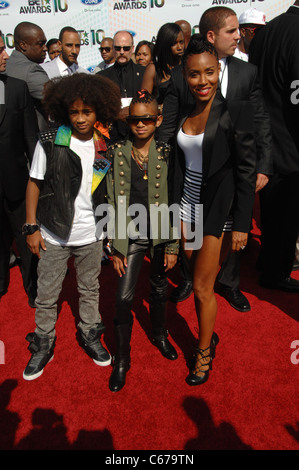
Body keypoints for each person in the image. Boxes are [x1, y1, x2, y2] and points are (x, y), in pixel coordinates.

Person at [158, 6, 272, 312]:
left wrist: (263, 165)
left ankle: (229, 284)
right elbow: (170, 125)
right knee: (193, 251)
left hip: (229, 175)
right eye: (231, 31)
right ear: (211, 35)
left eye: (238, 31)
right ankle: (190, 279)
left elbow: (259, 120)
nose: (239, 36)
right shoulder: (183, 75)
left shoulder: (248, 72)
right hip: (191, 181)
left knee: (229, 232)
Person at [22, 73, 121, 381]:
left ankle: (91, 332)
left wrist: (107, 232)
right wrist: (31, 227)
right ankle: (43, 340)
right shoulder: (51, 142)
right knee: (47, 292)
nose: (80, 118)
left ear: (98, 112)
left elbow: (103, 190)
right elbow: (34, 183)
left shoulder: (104, 146)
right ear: (65, 110)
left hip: (91, 235)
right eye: (75, 111)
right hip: (53, 232)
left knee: (90, 288)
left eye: (87, 112)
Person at [170, 35, 256, 385]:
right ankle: (209, 337)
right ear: (185, 76)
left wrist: (242, 223)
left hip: (216, 211)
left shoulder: (236, 111)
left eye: (209, 72)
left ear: (218, 71)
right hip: (186, 208)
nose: (202, 81)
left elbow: (247, 170)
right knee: (193, 279)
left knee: (204, 287)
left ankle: (204, 352)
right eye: (194, 74)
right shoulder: (185, 110)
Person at [106, 90, 179, 392]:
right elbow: (109, 200)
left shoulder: (168, 153)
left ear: (158, 120)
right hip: (129, 235)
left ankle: (160, 334)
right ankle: (122, 358)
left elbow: (175, 198)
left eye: (147, 119)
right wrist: (113, 245)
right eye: (135, 120)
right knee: (123, 298)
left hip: (160, 230)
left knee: (159, 287)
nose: (141, 125)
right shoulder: (115, 151)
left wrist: (173, 245)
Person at [249, 1, 299, 292]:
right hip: (289, 138)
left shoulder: (267, 30)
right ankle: (276, 271)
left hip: (262, 134)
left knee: (270, 205)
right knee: (286, 207)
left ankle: (268, 260)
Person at [0, 30, 39, 307]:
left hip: (15, 182)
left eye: (4, 48)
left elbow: (31, 140)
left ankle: (34, 290)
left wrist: (38, 179)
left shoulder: (15, 88)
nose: (5, 55)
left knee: (26, 242)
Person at [97, 30, 145, 142]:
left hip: (140, 138)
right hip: (112, 140)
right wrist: (117, 114)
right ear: (113, 49)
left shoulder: (144, 73)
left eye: (126, 48)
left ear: (132, 49)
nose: (122, 52)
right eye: (118, 48)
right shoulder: (101, 78)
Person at [5, 21, 49, 131]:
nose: (45, 48)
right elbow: (59, 98)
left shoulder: (7, 65)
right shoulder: (31, 70)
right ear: (23, 45)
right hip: (33, 141)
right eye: (40, 44)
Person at [141, 23, 185, 108]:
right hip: (162, 118)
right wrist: (159, 108)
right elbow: (143, 103)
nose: (179, 47)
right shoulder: (153, 69)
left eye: (181, 42)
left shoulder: (187, 65)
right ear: (165, 45)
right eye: (174, 43)